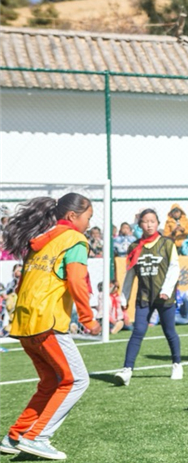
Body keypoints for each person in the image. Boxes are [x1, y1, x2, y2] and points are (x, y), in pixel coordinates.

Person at [0, 193, 101, 460]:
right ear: (72, 217)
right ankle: (38, 437)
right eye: (88, 218)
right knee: (76, 380)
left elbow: (24, 283)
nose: (89, 224)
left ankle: (15, 436)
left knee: (50, 381)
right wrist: (89, 319)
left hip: (24, 322)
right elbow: (77, 281)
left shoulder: (40, 241)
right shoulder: (75, 240)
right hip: (48, 322)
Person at [115, 209, 182, 386]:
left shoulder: (167, 244)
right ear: (140, 225)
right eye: (146, 221)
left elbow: (174, 268)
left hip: (164, 297)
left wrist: (167, 289)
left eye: (152, 221)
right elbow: (129, 275)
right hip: (144, 296)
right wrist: (124, 298)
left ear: (158, 223)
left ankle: (177, 364)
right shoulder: (134, 247)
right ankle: (127, 370)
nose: (149, 224)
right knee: (138, 332)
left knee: (169, 331)